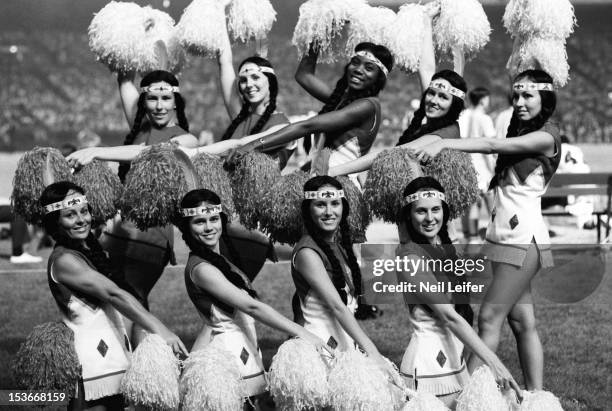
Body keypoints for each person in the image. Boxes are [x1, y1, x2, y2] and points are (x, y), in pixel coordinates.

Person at [412, 69, 561, 390]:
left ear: (545, 98)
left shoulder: (548, 136)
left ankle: (461, 396)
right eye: (517, 95)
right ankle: (536, 398)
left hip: (523, 241)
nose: (520, 102)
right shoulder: (523, 131)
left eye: (528, 96)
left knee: (488, 320)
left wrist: (445, 144)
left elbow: (493, 143)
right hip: (502, 239)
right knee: (522, 323)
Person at [66, 70, 198, 345]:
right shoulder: (140, 129)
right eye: (152, 98)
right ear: (144, 101)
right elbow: (124, 78)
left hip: (151, 236)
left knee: (132, 301)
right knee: (127, 303)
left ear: (176, 102)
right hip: (117, 230)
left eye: (165, 98)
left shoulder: (187, 139)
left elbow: (149, 152)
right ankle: (141, 366)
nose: (159, 105)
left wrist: (97, 151)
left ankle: (139, 364)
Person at [39, 181, 187, 410]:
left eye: (84, 211)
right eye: (70, 215)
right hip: (91, 363)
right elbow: (113, 294)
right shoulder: (64, 260)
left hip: (112, 353)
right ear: (56, 221)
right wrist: (161, 330)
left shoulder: (86, 252)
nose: (81, 220)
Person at [176, 188, 328, 405]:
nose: (209, 227)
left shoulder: (218, 261)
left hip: (244, 350)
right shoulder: (202, 269)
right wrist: (303, 332)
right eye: (199, 221)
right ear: (187, 228)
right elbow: (251, 307)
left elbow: (211, 322)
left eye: (213, 219)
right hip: (226, 360)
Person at [396, 177, 521, 408]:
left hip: (456, 364)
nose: (430, 217)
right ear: (409, 215)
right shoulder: (409, 257)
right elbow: (449, 316)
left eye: (436, 209)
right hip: (427, 370)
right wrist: (493, 362)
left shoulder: (442, 246)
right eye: (421, 211)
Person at [327, 4, 466, 178]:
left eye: (443, 97)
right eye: (431, 93)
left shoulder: (445, 134)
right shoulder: (436, 120)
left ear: (454, 104)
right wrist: (427, 21)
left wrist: (333, 171)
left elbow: (388, 155)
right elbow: (427, 69)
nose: (433, 100)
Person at [232, 40, 394, 187]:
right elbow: (303, 75)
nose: (359, 70)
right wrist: (318, 32)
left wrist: (253, 145)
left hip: (339, 189)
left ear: (379, 78)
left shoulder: (367, 105)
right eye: (355, 62)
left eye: (369, 68)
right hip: (320, 181)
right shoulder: (342, 100)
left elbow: (307, 126)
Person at [291, 175, 400, 384]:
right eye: (320, 205)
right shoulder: (307, 252)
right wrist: (373, 353)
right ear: (308, 210)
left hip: (346, 346)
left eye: (335, 204)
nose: (329, 211)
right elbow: (336, 306)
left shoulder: (340, 247)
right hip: (320, 353)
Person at [214, 21, 294, 169]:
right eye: (243, 80)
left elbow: (239, 144)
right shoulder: (240, 115)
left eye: (255, 78)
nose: (249, 84)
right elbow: (224, 62)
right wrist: (218, 10)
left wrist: (195, 152)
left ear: (270, 82)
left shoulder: (282, 125)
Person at [458, 87, 497, 243]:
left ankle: (472, 237)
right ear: (482, 100)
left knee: (472, 203)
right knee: (492, 202)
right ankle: (496, 234)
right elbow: (491, 144)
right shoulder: (484, 118)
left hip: (466, 163)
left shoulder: (464, 115)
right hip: (483, 164)